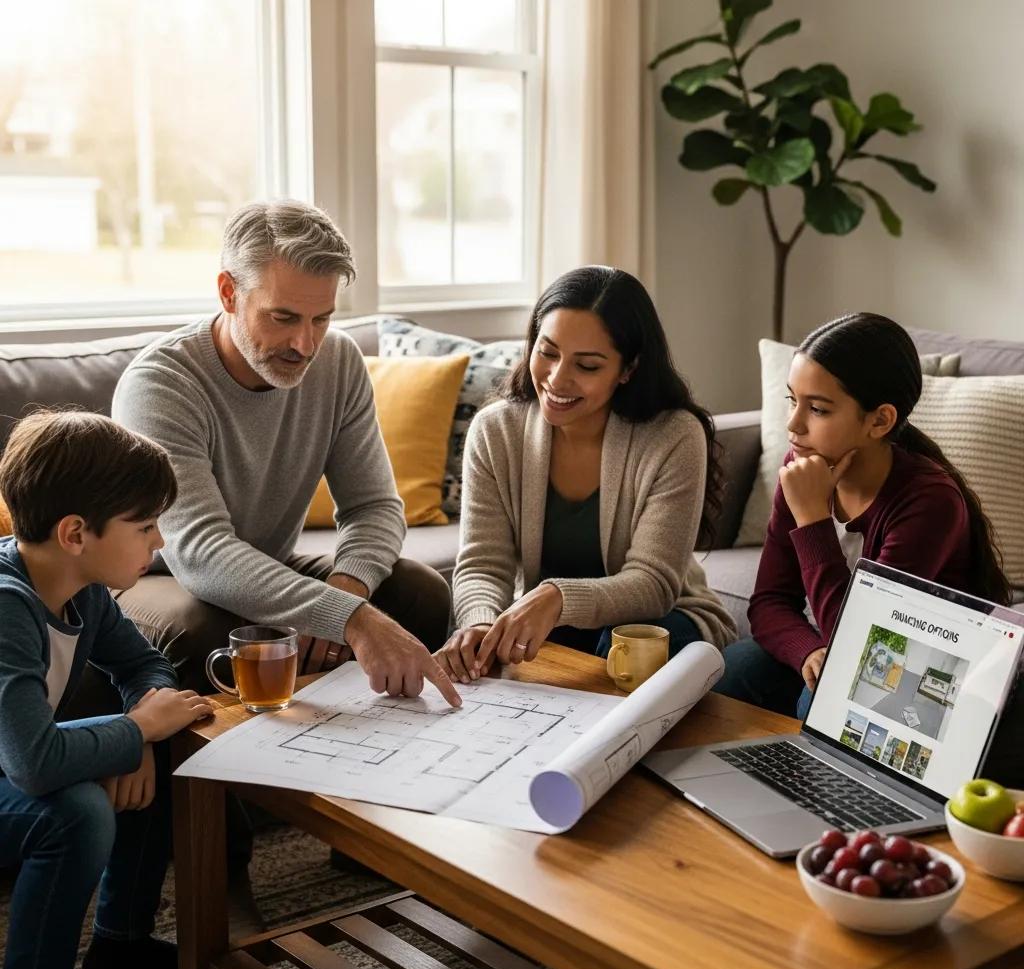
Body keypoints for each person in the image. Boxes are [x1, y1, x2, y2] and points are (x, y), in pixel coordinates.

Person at [111, 199, 459, 709]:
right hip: (151, 578)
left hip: (264, 564)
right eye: (283, 317)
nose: (305, 343)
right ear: (229, 292)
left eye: (321, 318)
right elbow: (201, 554)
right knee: (210, 629)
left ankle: (375, 758)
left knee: (419, 592)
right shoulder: (160, 386)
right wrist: (346, 616)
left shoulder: (338, 362)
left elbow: (374, 508)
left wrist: (348, 589)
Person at [0, 411, 215, 969]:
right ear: (75, 533)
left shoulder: (84, 589)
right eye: (145, 525)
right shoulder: (6, 603)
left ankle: (121, 942)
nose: (160, 542)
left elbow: (147, 667)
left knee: (160, 746)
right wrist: (140, 729)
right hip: (15, 761)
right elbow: (34, 764)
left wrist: (142, 736)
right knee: (75, 814)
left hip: (12, 759)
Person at [438, 265, 736, 682]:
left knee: (618, 647)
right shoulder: (495, 431)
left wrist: (556, 596)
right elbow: (483, 566)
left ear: (628, 369)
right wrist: (482, 625)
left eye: (588, 366)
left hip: (663, 620)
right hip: (554, 625)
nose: (558, 379)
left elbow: (653, 583)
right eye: (548, 352)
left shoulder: (674, 435)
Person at [715, 312, 1011, 719]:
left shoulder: (929, 502)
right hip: (843, 643)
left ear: (880, 420)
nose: (793, 424)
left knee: (823, 701)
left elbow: (870, 648)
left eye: (817, 409)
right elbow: (769, 601)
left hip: (924, 672)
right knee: (730, 672)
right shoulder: (801, 468)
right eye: (792, 400)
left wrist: (812, 520)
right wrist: (809, 650)